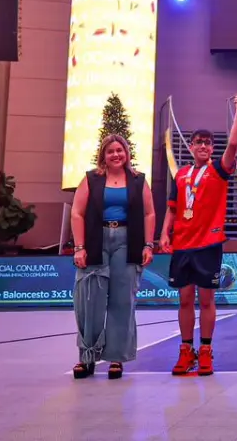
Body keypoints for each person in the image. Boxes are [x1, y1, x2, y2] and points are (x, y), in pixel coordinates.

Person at [159, 111, 237, 376]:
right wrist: (164, 234)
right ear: (191, 146)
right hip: (182, 245)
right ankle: (186, 351)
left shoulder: (218, 170)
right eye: (199, 142)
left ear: (212, 148)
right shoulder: (180, 175)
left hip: (208, 243)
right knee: (184, 299)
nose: (204, 146)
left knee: (206, 300)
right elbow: (172, 209)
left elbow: (234, 145)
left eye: (208, 143)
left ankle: (205, 350)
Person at [69, 133, 157, 380]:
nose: (116, 154)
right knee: (90, 302)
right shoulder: (91, 179)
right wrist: (79, 247)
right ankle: (87, 358)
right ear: (103, 155)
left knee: (122, 302)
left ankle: (117, 359)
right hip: (96, 241)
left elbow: (149, 213)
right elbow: (77, 213)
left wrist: (148, 245)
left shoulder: (139, 180)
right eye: (111, 151)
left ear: (126, 153)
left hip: (128, 242)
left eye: (120, 150)